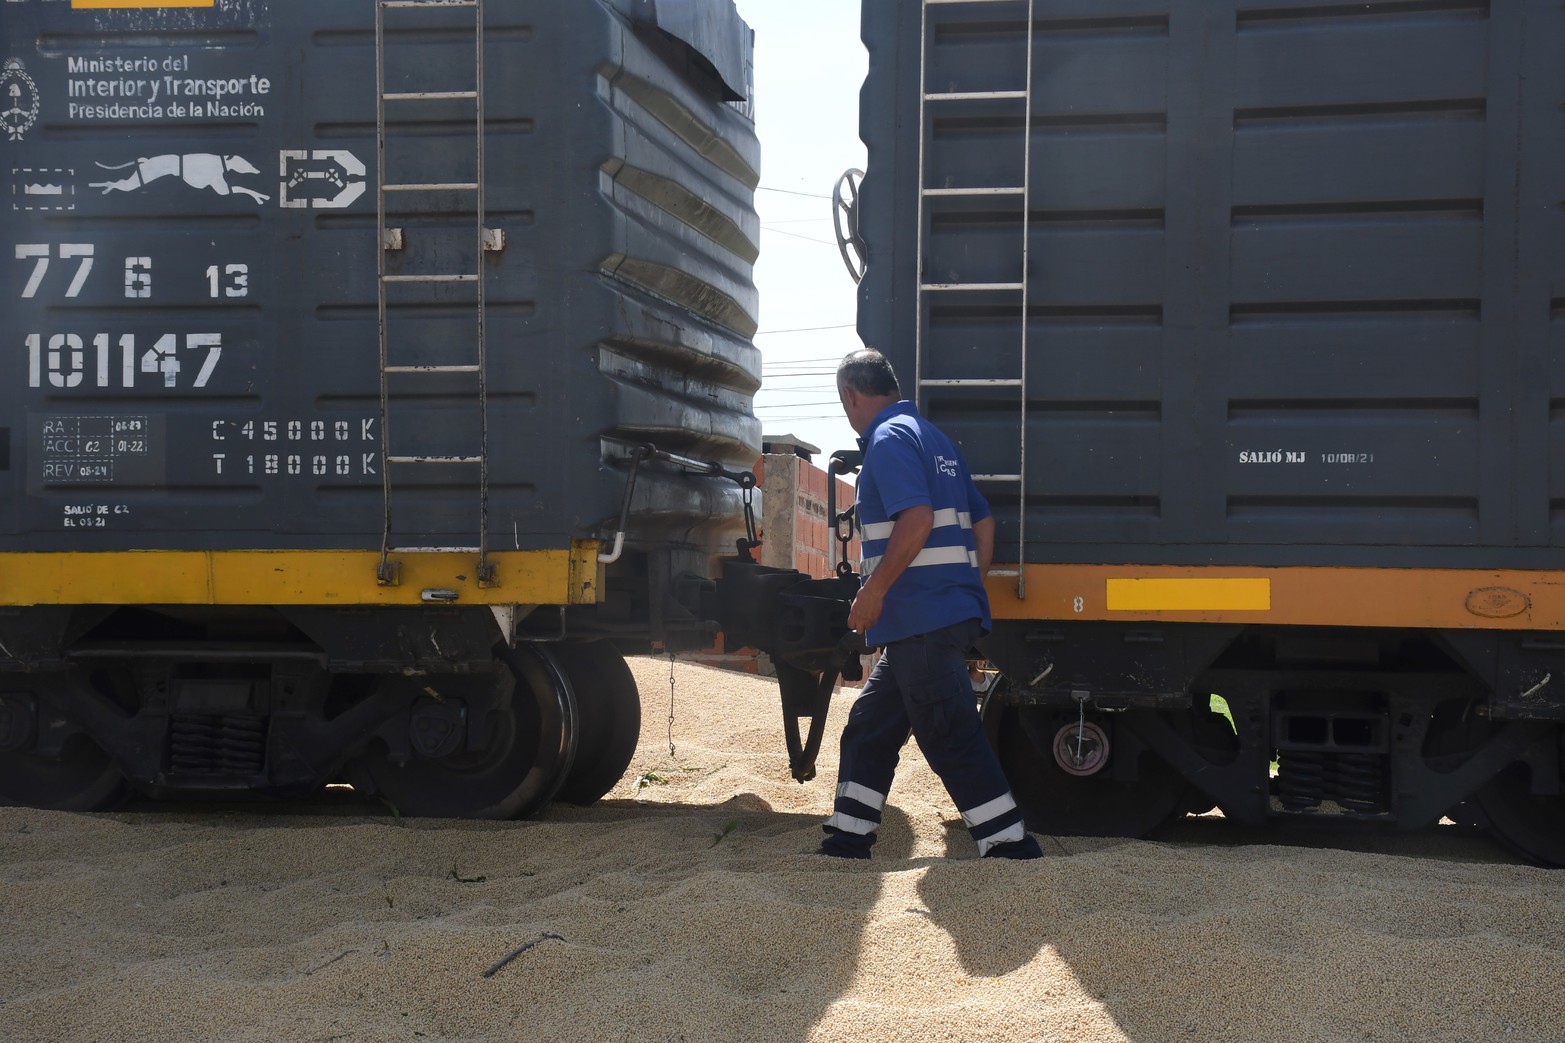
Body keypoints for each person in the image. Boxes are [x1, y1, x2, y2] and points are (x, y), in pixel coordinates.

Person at [818, 348, 1042, 860]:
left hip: (918, 617)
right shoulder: (935, 440)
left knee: (948, 733)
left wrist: (872, 590)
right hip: (931, 617)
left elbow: (915, 519)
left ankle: (1010, 845)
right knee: (871, 726)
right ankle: (849, 838)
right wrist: (965, 585)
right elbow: (984, 523)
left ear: (851, 395)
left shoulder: (888, 439)